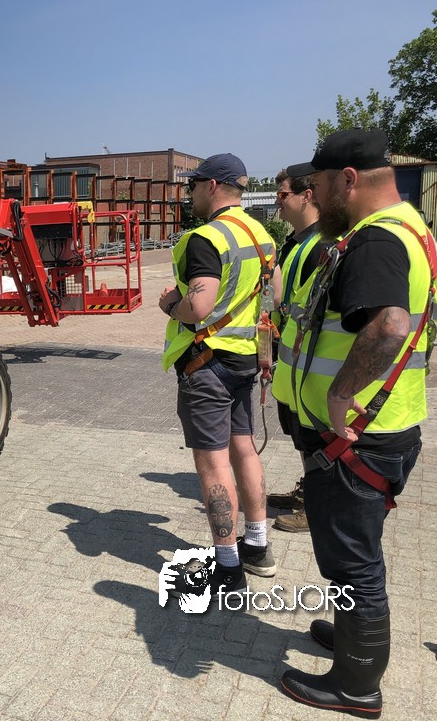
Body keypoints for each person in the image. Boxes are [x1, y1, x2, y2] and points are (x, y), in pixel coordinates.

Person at [278, 129, 437, 717]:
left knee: (354, 564)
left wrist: (341, 392)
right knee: (357, 554)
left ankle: (356, 684)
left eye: (320, 185)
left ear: (348, 179)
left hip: (357, 437)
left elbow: (390, 325)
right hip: (385, 426)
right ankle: (353, 640)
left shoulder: (375, 238)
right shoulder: (411, 227)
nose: (315, 196)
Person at [158, 153, 281, 593]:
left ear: (212, 186)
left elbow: (199, 306)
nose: (190, 193)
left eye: (193, 185)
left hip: (206, 363)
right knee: (243, 449)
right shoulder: (262, 236)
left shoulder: (205, 238)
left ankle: (228, 566)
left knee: (213, 462)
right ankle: (257, 546)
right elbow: (274, 298)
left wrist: (170, 304)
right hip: (245, 359)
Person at [266, 168, 324, 534]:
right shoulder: (296, 242)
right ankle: (310, 491)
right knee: (300, 432)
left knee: (313, 432)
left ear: (307, 195)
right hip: (290, 353)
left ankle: (316, 505)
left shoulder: (321, 244)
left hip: (309, 360)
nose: (278, 202)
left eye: (283, 194)